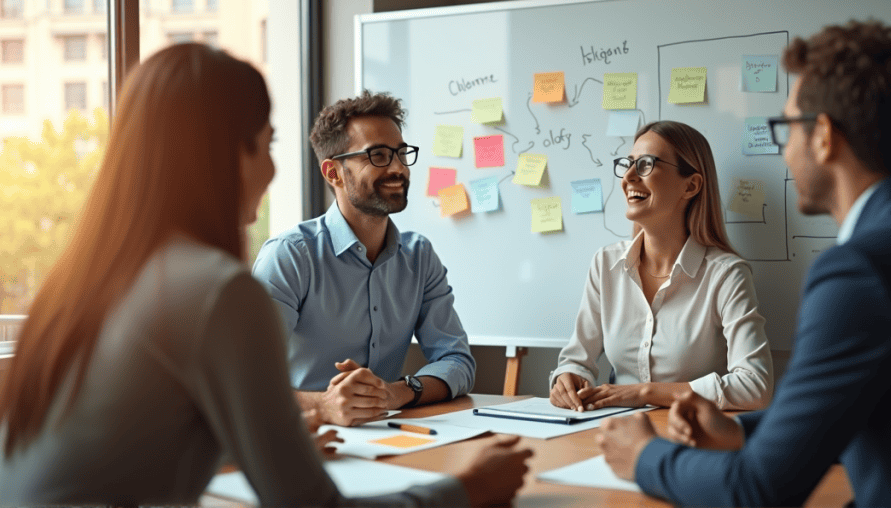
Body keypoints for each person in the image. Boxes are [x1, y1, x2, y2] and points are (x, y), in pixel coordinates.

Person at [0, 44, 531, 506]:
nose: (275, 169)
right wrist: (467, 488)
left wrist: (281, 429)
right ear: (227, 152)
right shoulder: (218, 288)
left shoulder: (94, 274)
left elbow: (143, 431)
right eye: (268, 142)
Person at [597, 21, 891, 506]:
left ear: (822, 136)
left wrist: (643, 456)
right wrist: (742, 432)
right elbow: (885, 418)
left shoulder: (860, 269)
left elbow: (757, 490)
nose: (784, 152)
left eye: (787, 127)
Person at [252, 90, 476, 427]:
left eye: (401, 153)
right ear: (333, 173)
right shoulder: (290, 256)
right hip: (306, 438)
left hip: (387, 434)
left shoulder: (418, 256)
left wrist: (398, 392)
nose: (399, 168)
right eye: (379, 155)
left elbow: (456, 359)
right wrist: (324, 405)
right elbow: (244, 381)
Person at [550, 121, 773, 412]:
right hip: (617, 433)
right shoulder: (605, 264)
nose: (628, 177)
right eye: (628, 164)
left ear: (690, 185)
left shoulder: (727, 275)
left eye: (645, 165)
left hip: (693, 437)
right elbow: (576, 360)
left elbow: (755, 387)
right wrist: (567, 378)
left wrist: (644, 393)